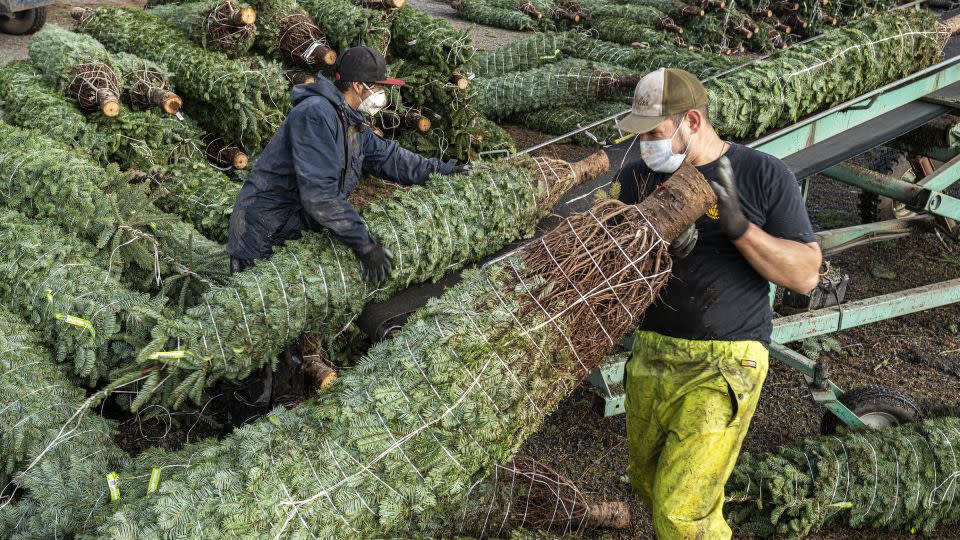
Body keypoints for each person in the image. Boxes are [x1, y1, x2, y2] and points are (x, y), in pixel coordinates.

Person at [614, 67, 822, 539]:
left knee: (681, 512)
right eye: (641, 133)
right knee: (649, 485)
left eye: (655, 132)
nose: (646, 144)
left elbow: (806, 274)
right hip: (651, 354)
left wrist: (740, 229)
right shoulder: (637, 181)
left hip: (725, 362)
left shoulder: (760, 174)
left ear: (692, 120)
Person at [223, 46, 461, 425]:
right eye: (380, 87)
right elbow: (318, 194)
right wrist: (363, 243)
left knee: (290, 324)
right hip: (262, 230)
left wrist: (445, 171)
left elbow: (390, 157)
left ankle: (283, 406)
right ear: (358, 85)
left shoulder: (349, 121)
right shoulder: (316, 116)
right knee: (259, 328)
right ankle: (245, 419)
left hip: (290, 229)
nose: (383, 95)